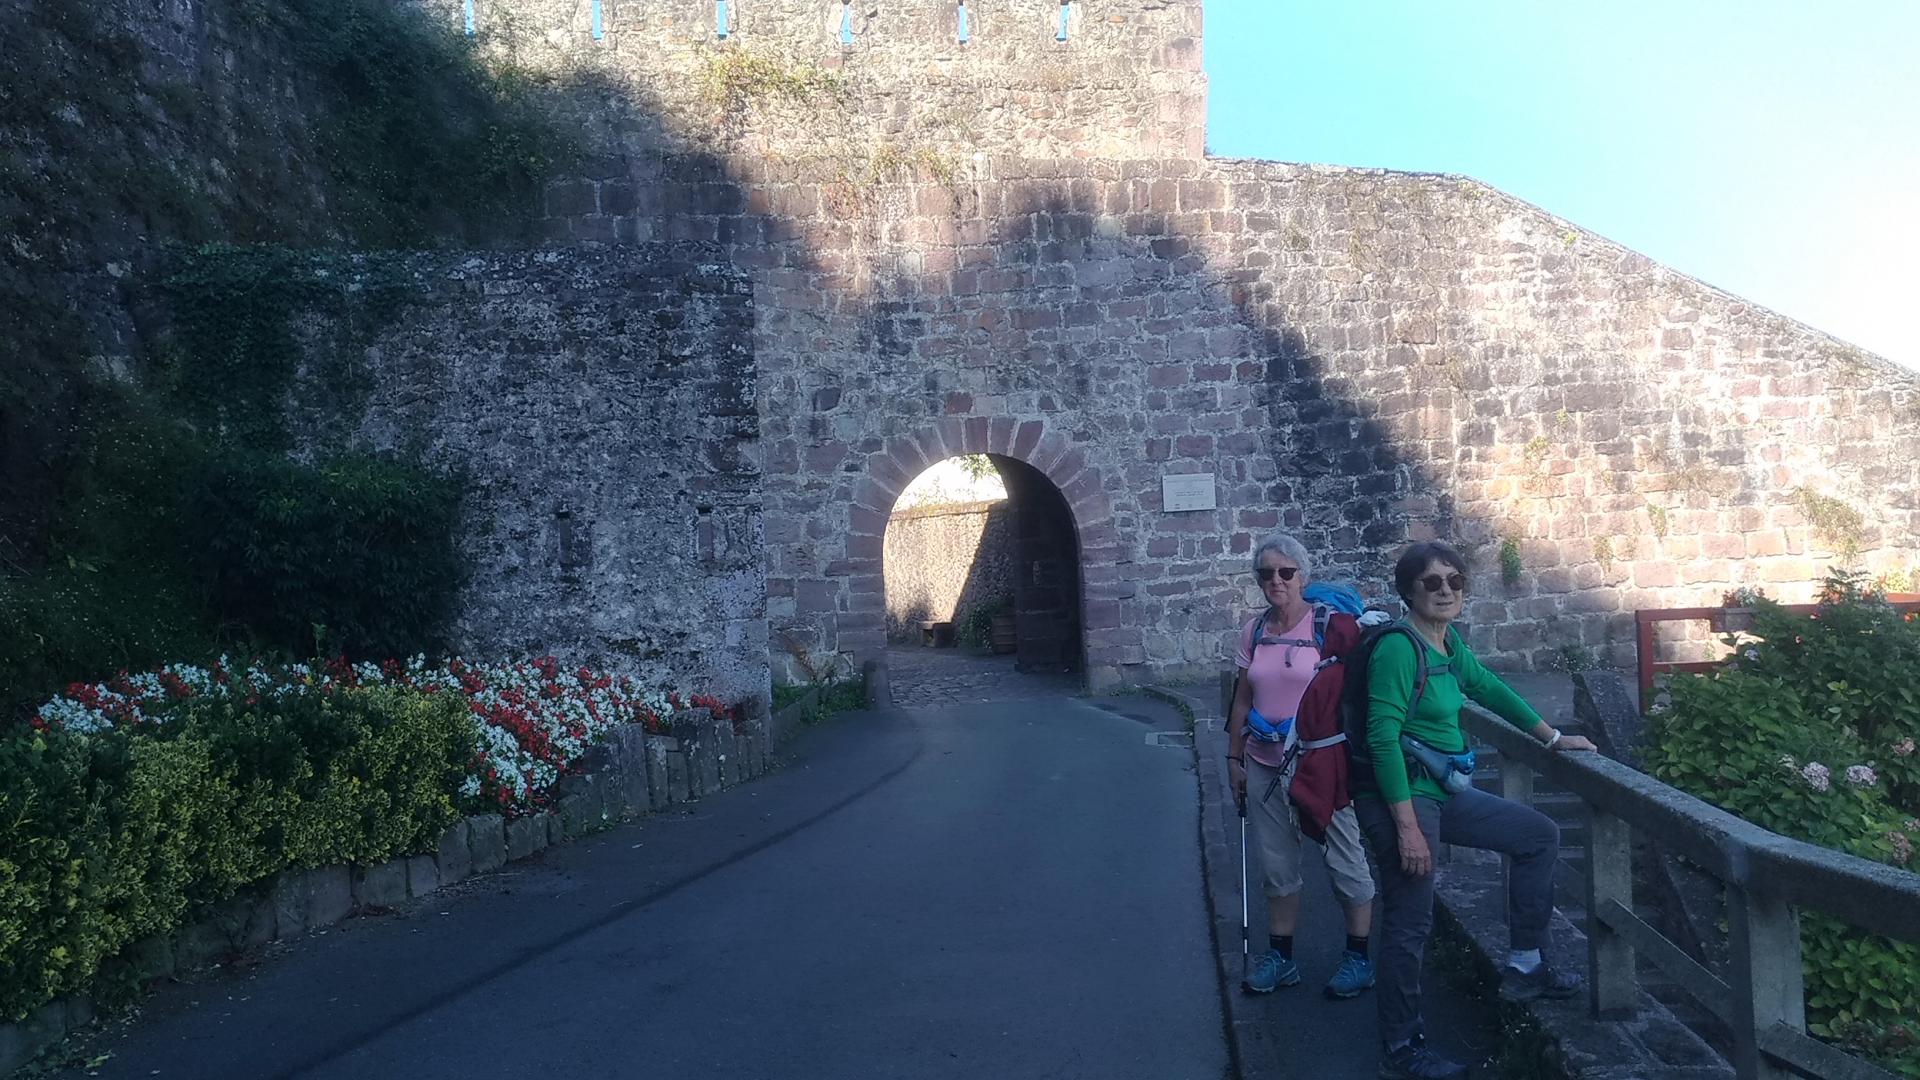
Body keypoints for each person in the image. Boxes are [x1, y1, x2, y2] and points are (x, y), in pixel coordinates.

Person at [1352, 541, 1597, 1080]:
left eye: (1455, 582)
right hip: (1403, 796)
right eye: (1432, 582)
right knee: (1409, 924)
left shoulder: (1447, 642)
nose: (1445, 591)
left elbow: (1485, 686)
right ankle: (1401, 1048)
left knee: (1537, 835)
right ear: (1407, 590)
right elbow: (1383, 739)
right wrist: (1408, 828)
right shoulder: (1399, 648)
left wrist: (1553, 737)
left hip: (1441, 792)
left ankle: (1526, 963)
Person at [1227, 533, 1377, 1000]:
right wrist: (1234, 758)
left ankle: (1358, 957)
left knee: (1345, 858)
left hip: (1322, 761)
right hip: (1264, 762)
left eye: (1286, 572)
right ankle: (1282, 959)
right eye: (1267, 573)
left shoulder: (1328, 628)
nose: (1276, 580)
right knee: (1276, 864)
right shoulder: (1253, 631)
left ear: (1302, 576)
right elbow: (1241, 699)